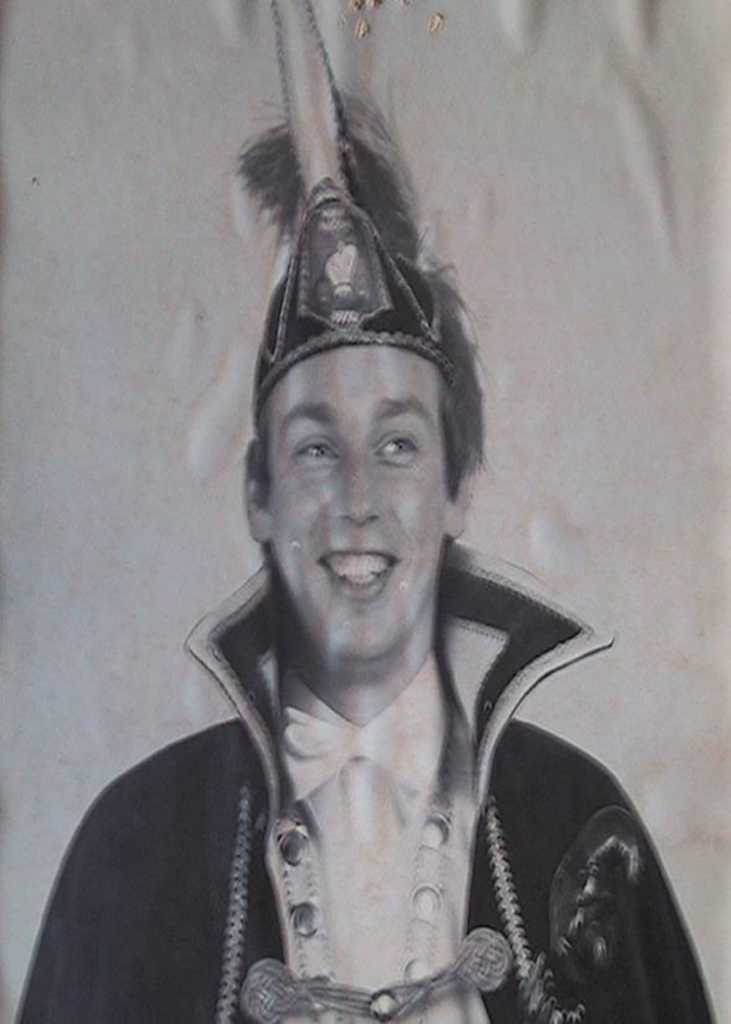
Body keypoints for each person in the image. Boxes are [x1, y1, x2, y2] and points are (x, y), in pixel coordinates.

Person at [20, 3, 713, 1023]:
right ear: (257, 495)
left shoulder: (578, 824)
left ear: (455, 485)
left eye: (397, 445)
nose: (356, 498)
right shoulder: (131, 848)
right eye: (314, 448)